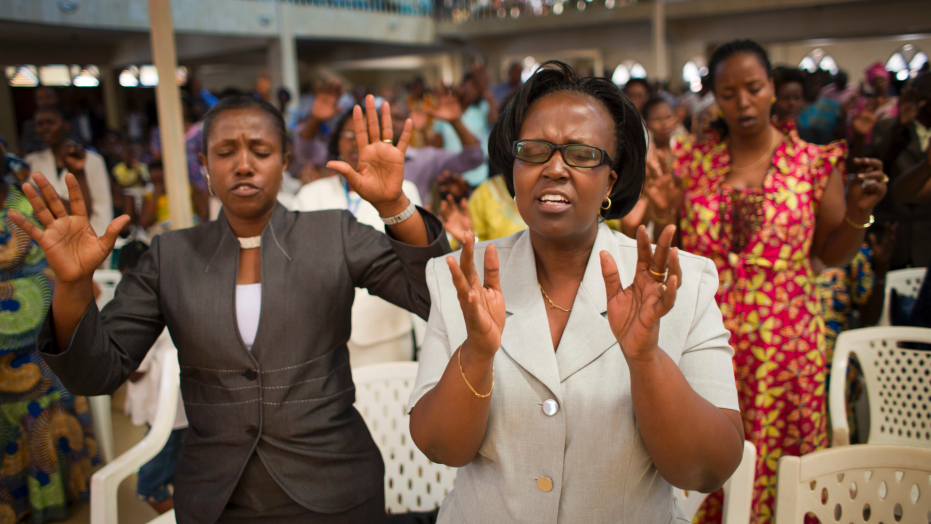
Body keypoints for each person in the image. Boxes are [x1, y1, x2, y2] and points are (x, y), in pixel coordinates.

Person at [11, 95, 451, 524]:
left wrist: (394, 207)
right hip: (217, 498)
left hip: (333, 487)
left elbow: (435, 298)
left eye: (261, 150)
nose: (243, 164)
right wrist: (72, 286)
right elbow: (96, 373)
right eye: (225, 151)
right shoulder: (171, 257)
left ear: (285, 160)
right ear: (204, 164)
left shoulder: (333, 233)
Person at [407, 61, 744, 523]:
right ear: (514, 166)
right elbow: (441, 446)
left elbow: (709, 468)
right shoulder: (461, 277)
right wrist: (477, 354)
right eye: (535, 151)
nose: (555, 169)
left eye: (583, 154)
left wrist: (646, 360)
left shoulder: (677, 284)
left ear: (612, 177)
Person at [643, 40, 889, 524]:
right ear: (714, 97)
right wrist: (665, 212)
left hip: (789, 344)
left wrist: (859, 214)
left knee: (787, 467)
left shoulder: (813, 164)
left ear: (772, 89)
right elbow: (674, 252)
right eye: (728, 92)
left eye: (754, 88)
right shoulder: (693, 165)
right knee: (709, 456)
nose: (743, 102)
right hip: (710, 339)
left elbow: (831, 254)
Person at [0, 175, 99, 523]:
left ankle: (61, 495)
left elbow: (74, 248)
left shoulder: (30, 202)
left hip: (46, 342)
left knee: (49, 422)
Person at [295, 108, 424, 368]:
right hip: (323, 335)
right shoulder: (310, 195)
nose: (356, 142)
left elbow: (419, 263)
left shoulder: (403, 192)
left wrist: (423, 336)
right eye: (349, 134)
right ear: (335, 142)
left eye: (366, 135)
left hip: (385, 333)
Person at [300, 85, 484, 206]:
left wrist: (456, 121)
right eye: (387, 118)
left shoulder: (422, 159)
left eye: (398, 118)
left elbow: (474, 158)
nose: (393, 123)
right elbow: (306, 151)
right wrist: (315, 119)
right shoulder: (347, 159)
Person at [117, 241, 188, 515]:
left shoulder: (140, 307)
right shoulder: (172, 293)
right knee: (178, 473)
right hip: (181, 407)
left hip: (164, 411)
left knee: (151, 486)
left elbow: (134, 371)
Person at [863, 72, 931, 270]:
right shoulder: (888, 127)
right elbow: (876, 166)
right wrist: (899, 129)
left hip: (926, 238)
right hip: (892, 235)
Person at [25, 105, 113, 238]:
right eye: (40, 124)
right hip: (52, 240)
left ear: (66, 125)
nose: (44, 128)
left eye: (50, 122)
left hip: (92, 235)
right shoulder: (31, 161)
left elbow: (103, 204)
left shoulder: (92, 160)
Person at [433, 70, 499, 187]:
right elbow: (437, 147)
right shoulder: (445, 110)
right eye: (470, 85)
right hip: (452, 176)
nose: (471, 90)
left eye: (475, 87)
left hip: (478, 175)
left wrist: (485, 89)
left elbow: (496, 117)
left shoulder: (482, 109)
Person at [18, 87, 84, 155]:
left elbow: (77, 141)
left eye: (48, 97)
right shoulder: (29, 125)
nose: (45, 101)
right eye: (41, 98)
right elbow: (25, 148)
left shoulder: (70, 118)